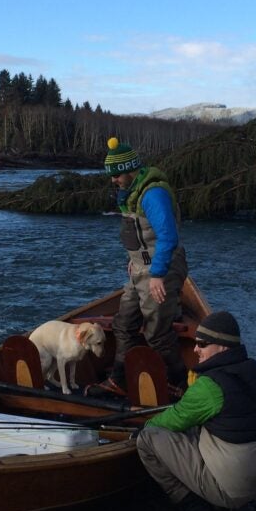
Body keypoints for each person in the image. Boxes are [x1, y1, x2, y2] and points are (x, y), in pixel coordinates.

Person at [136, 311, 256, 511]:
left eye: (202, 344)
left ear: (223, 347)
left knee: (147, 439)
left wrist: (140, 428)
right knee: (206, 427)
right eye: (195, 343)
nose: (195, 350)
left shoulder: (210, 386)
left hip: (232, 491)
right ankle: (231, 501)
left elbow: (169, 422)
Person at [87, 137, 189, 397]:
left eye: (117, 175)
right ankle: (120, 381)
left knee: (157, 333)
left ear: (130, 170)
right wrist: (132, 261)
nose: (113, 181)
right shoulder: (131, 194)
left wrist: (157, 275)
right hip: (140, 271)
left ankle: (178, 385)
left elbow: (167, 236)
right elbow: (140, 237)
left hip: (160, 270)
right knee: (123, 324)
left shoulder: (153, 194)